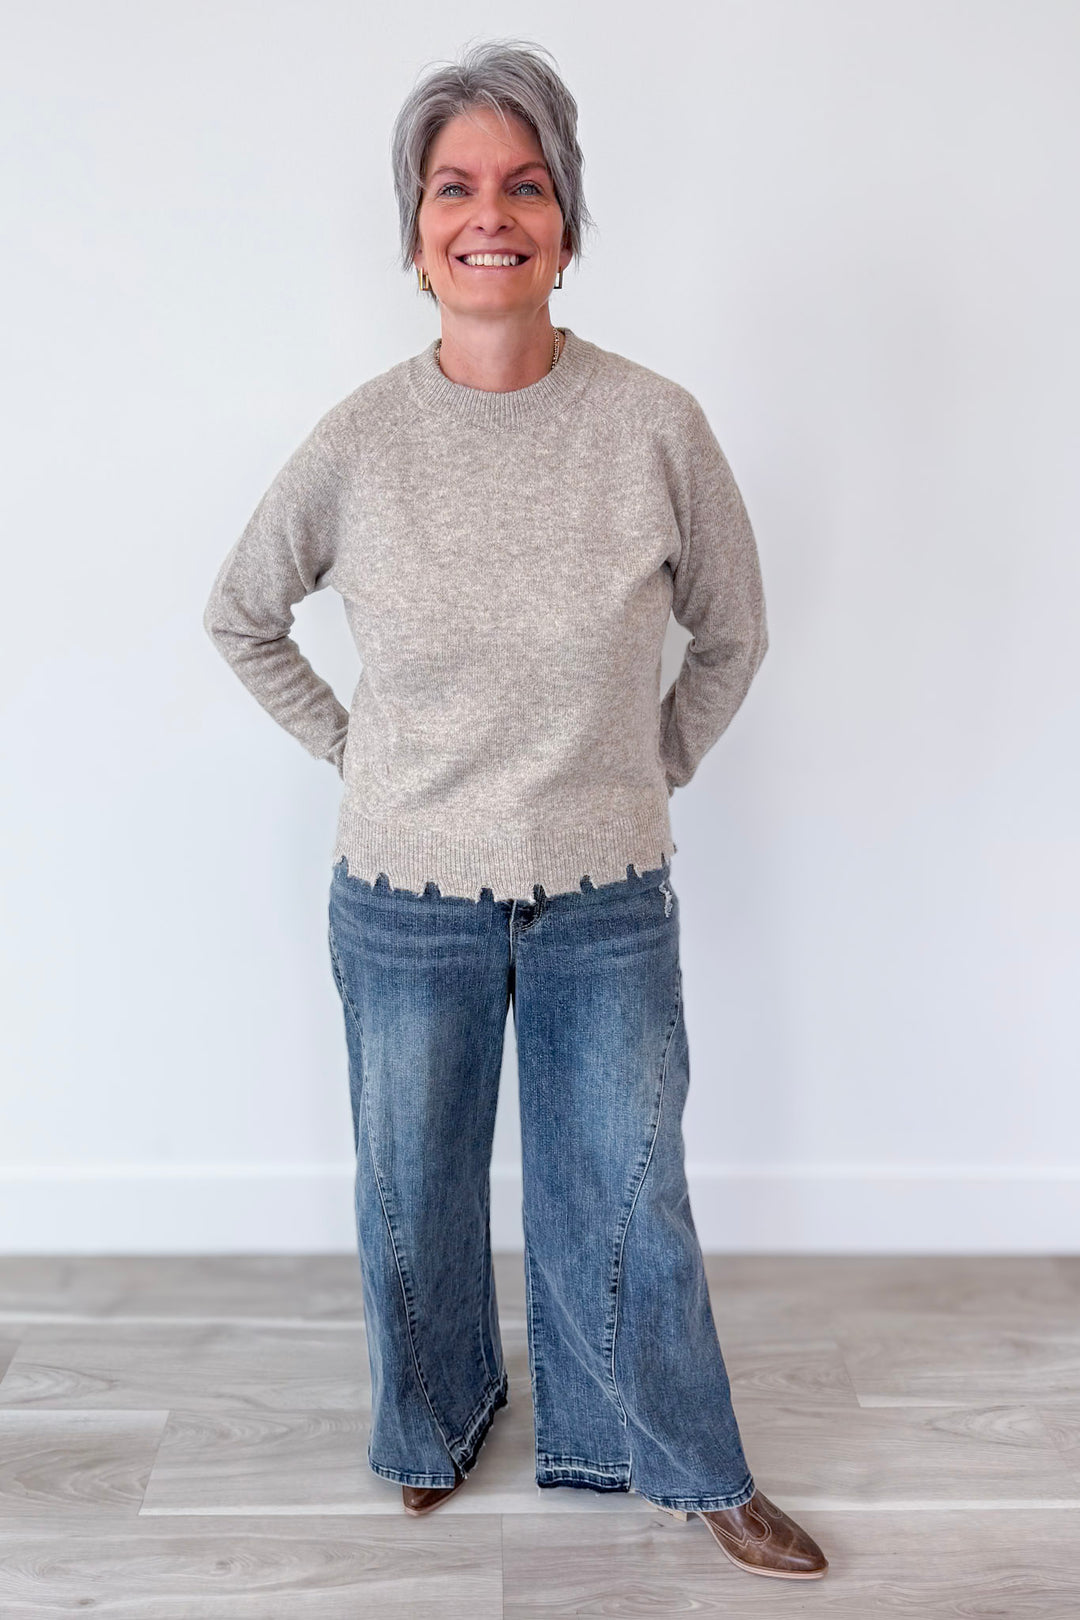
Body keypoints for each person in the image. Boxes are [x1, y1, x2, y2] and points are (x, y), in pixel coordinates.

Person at [203, 37, 828, 1583]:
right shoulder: (360, 440)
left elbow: (735, 632)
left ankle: (680, 1459)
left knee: (629, 1197)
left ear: (566, 222)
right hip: (402, 898)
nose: (490, 214)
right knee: (412, 1196)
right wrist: (358, 752)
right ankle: (432, 1428)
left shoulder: (655, 425)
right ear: (417, 235)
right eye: (454, 188)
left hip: (605, 897)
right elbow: (241, 615)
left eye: (525, 184)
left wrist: (653, 761)